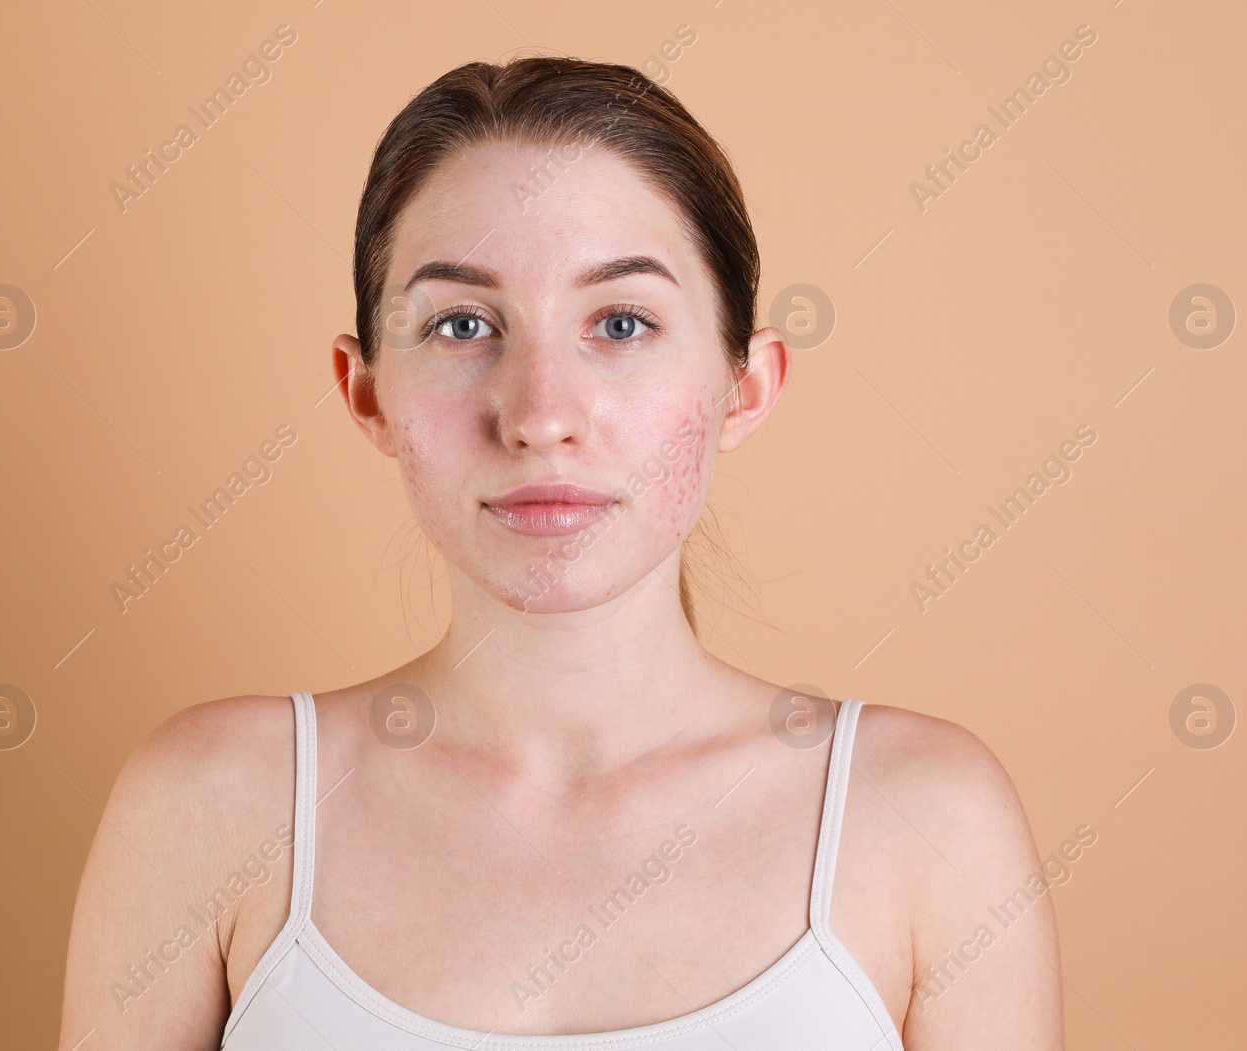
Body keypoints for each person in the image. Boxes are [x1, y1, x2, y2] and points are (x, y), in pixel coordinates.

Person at [59, 55, 1062, 1050]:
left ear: (743, 387)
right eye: (460, 324)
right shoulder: (207, 807)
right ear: (365, 392)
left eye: (620, 323)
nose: (539, 415)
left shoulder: (926, 821)